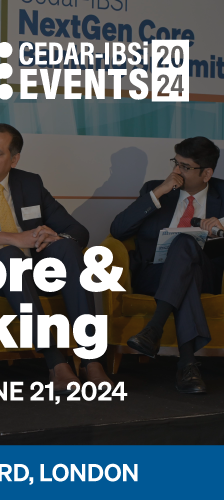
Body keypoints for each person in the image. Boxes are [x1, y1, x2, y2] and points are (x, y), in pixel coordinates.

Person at [0, 123, 112, 394]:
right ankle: (55, 362)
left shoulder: (30, 183)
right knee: (9, 254)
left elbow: (78, 230)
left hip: (37, 269)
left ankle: (91, 358)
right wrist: (11, 238)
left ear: (14, 159)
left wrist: (54, 236)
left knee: (67, 248)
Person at [111, 137, 223, 394]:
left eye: (185, 167)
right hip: (154, 273)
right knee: (186, 276)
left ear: (206, 173)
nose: (176, 171)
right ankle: (187, 364)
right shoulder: (156, 189)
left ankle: (153, 329)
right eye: (176, 163)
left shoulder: (222, 193)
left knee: (185, 244)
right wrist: (159, 192)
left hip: (206, 272)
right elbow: (118, 230)